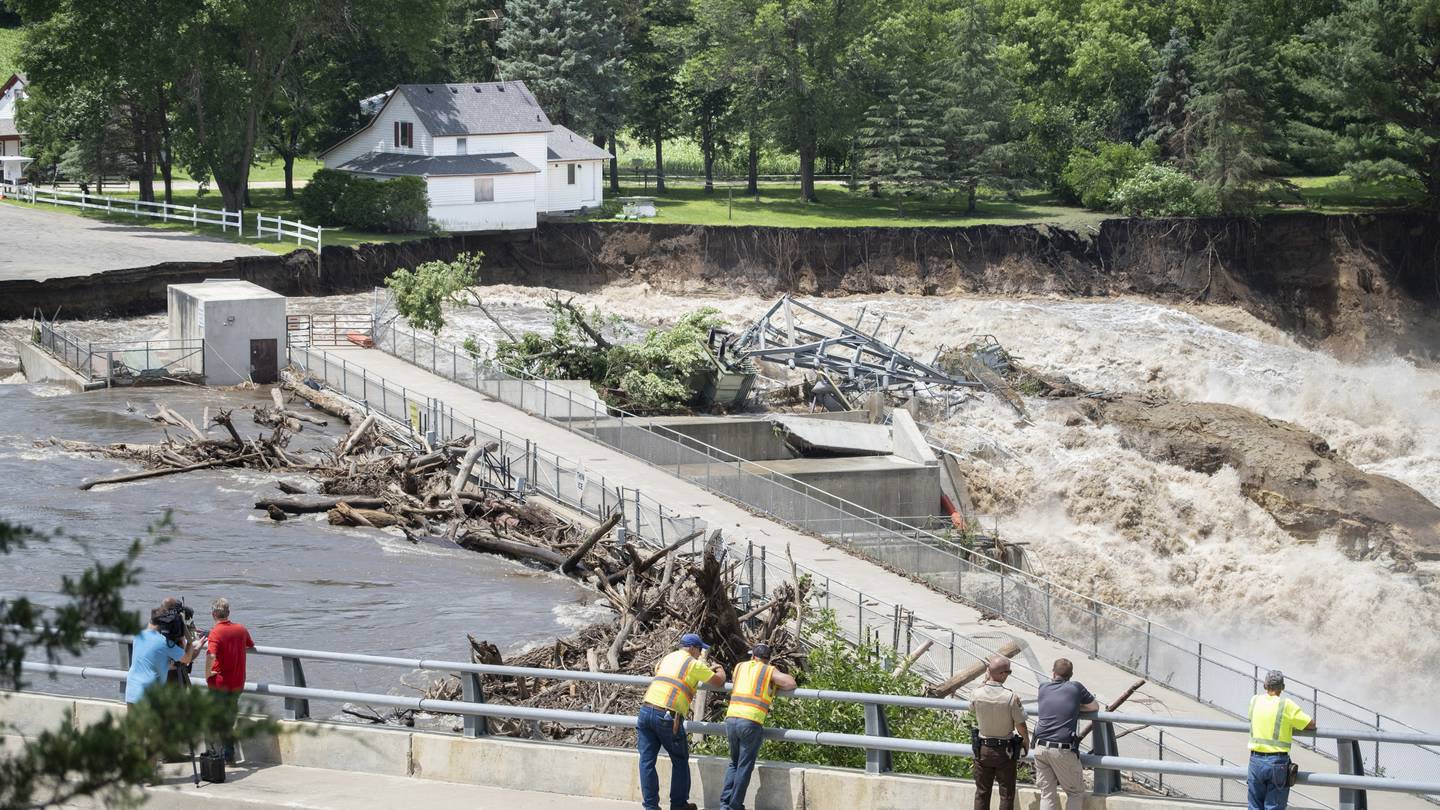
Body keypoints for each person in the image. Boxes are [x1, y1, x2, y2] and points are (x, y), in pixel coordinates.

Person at [637, 633, 726, 810]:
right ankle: (678, 805)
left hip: (646, 710)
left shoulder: (668, 657)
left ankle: (650, 806)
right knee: (679, 759)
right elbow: (718, 682)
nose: (700, 653)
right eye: (700, 649)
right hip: (667, 715)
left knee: (646, 761)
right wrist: (719, 669)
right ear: (692, 648)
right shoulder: (693, 664)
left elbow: (663, 673)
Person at [720, 642, 797, 810]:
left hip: (731, 718)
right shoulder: (768, 670)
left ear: (753, 656)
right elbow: (790, 683)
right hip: (750, 721)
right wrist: (773, 685)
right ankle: (735, 806)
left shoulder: (740, 667)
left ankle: (724, 804)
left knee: (734, 763)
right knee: (744, 766)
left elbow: (737, 681)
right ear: (767, 659)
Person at [1032, 658, 1099, 810]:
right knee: (1075, 793)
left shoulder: (1043, 687)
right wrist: (1076, 708)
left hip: (1040, 747)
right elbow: (1094, 707)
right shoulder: (1075, 687)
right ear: (1071, 675)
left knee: (1047, 794)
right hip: (1061, 749)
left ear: (1053, 672)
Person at [1247, 670, 1315, 810]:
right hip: (1277, 763)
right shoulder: (1286, 705)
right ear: (1282, 687)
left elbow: (1252, 717)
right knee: (1274, 807)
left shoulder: (1255, 700)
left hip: (1255, 761)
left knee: (1254, 807)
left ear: (1265, 685)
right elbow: (1310, 724)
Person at [970, 654, 1030, 810]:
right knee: (1006, 794)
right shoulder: (1010, 697)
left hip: (982, 749)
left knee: (982, 793)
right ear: (1002, 674)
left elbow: (971, 708)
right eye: (1008, 672)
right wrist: (1026, 742)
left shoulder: (977, 693)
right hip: (1005, 751)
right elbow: (1021, 724)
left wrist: (984, 681)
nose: (1008, 675)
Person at [205, 597, 255, 764]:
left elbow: (211, 654)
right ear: (228, 612)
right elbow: (250, 644)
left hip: (220, 683)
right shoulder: (240, 629)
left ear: (213, 614)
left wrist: (207, 674)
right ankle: (227, 753)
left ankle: (224, 754)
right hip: (237, 682)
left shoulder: (215, 632)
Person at [125, 604, 202, 705]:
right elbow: (186, 658)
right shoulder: (165, 644)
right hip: (149, 696)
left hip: (131, 693)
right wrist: (190, 640)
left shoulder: (139, 636)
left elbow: (162, 662)